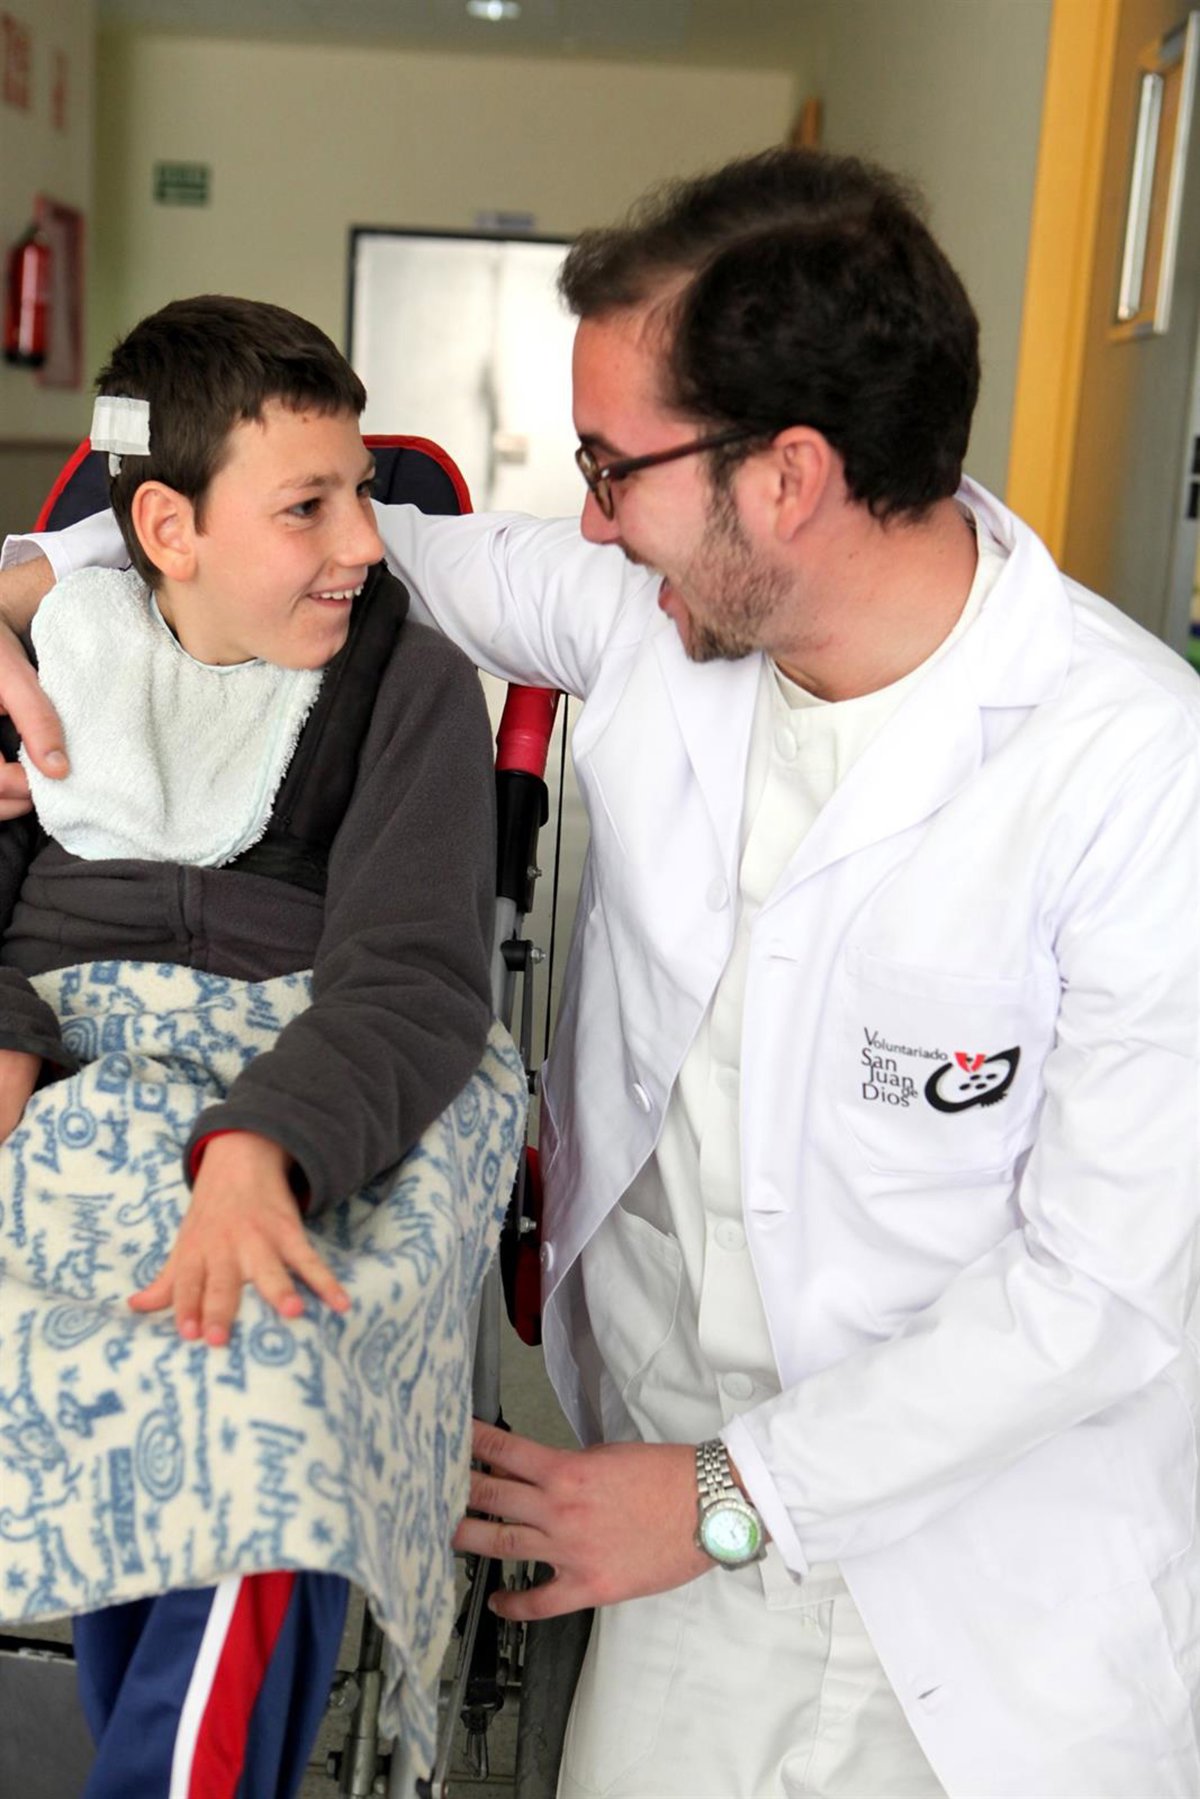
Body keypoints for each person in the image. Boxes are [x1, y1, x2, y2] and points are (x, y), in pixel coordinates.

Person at [4, 149, 1200, 1798]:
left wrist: (725, 1496)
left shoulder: (1140, 770)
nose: (583, 517)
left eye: (611, 466)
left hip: (993, 1590)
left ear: (787, 478)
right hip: (655, 1538)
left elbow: (1104, 1294)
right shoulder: (646, 608)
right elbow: (275, 540)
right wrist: (21, 585)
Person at [0, 294, 499, 1797]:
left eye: (360, 494)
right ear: (168, 527)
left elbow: (412, 976)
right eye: (309, 507)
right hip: (68, 1069)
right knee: (127, 1359)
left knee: (262, 1372)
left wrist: (259, 1148)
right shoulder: (51, 658)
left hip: (328, 1074)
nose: (365, 542)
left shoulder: (404, 686)